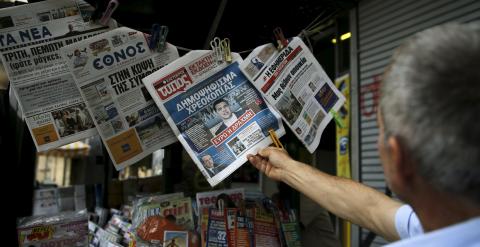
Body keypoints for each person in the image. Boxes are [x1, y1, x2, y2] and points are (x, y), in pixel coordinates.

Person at [248, 22, 480, 246]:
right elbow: (370, 208)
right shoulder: (441, 218)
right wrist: (288, 169)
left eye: (381, 132)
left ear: (400, 158)